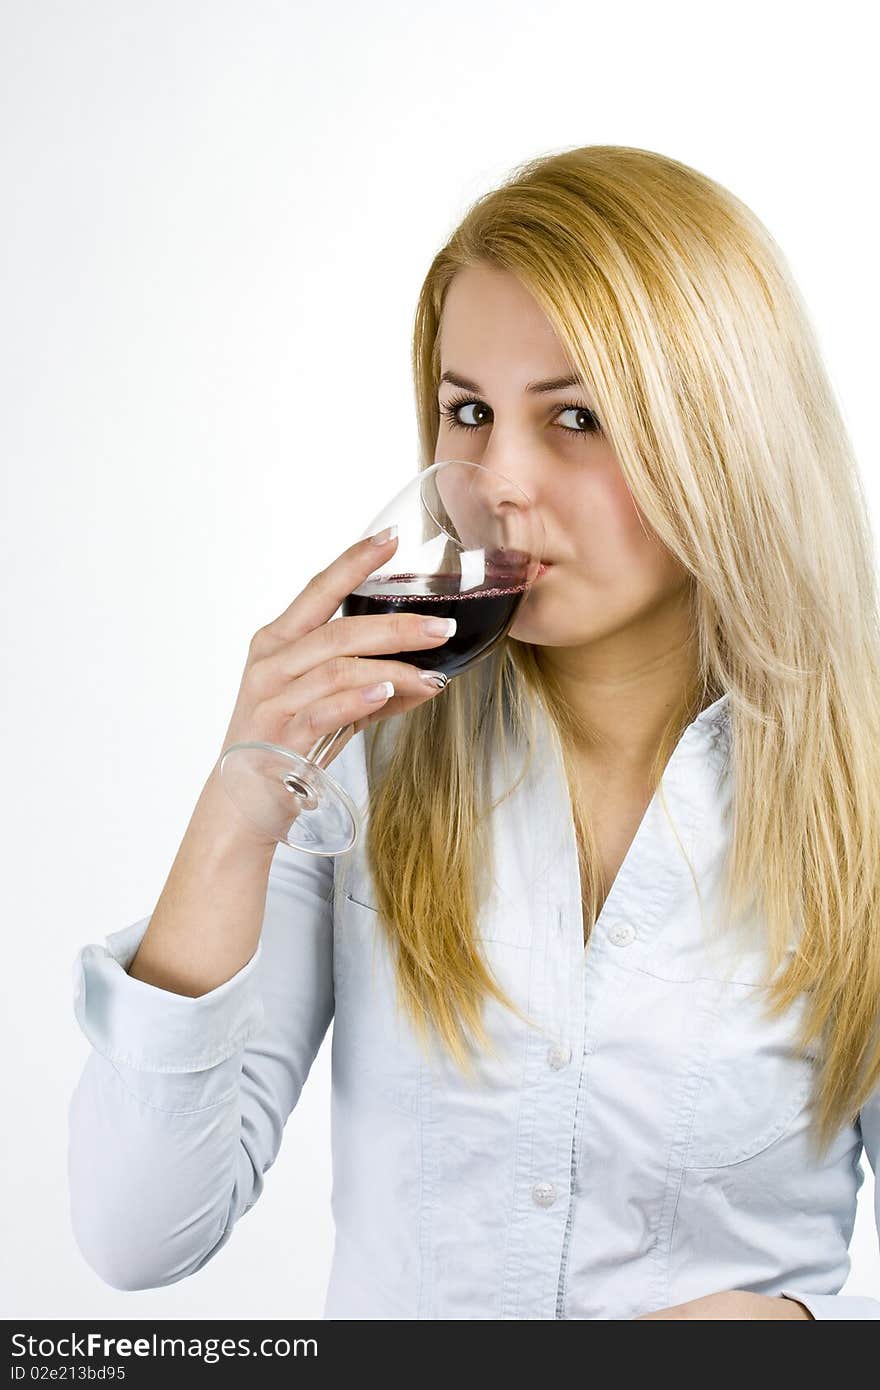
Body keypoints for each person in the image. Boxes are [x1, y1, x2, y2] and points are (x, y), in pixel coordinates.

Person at [68, 144, 880, 1319]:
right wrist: (241, 807)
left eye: (578, 416)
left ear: (725, 436)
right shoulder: (362, 758)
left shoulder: (854, 800)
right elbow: (138, 1233)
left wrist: (801, 1332)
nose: (498, 476)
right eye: (468, 411)